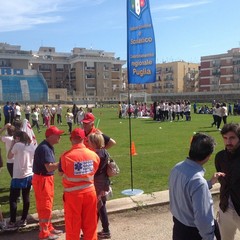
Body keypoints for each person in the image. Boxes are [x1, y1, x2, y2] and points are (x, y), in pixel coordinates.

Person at [169, 133, 224, 240]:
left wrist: (209, 184)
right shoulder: (198, 182)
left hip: (179, 228)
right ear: (208, 156)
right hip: (193, 233)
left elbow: (185, 192)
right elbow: (203, 219)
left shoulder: (177, 167)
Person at [59, 128, 100, 240]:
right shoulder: (93, 155)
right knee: (90, 224)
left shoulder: (66, 156)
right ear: (84, 139)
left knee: (73, 225)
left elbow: (60, 172)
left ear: (71, 139)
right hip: (90, 192)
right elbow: (95, 170)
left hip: (72, 195)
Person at [32, 126, 64, 240]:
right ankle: (44, 233)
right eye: (58, 134)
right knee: (45, 206)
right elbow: (49, 167)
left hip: (44, 179)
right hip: (43, 180)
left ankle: (49, 228)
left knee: (47, 205)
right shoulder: (45, 148)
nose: (60, 136)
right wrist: (62, 162)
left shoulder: (47, 146)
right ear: (51, 136)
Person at [215, 123, 240, 240]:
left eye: (232, 138)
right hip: (225, 209)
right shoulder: (220, 157)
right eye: (225, 138)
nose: (228, 141)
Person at [7, 131, 36, 228]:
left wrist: (12, 144)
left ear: (18, 138)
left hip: (18, 175)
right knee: (26, 197)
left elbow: (9, 156)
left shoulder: (17, 145)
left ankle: (12, 220)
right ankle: (24, 219)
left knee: (13, 198)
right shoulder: (31, 146)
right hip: (28, 174)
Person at [88, 132, 112, 239]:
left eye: (89, 141)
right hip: (104, 181)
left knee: (100, 207)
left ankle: (106, 230)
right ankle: (95, 230)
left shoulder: (96, 154)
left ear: (94, 142)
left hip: (98, 183)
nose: (88, 143)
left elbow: (94, 171)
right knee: (100, 207)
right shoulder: (104, 151)